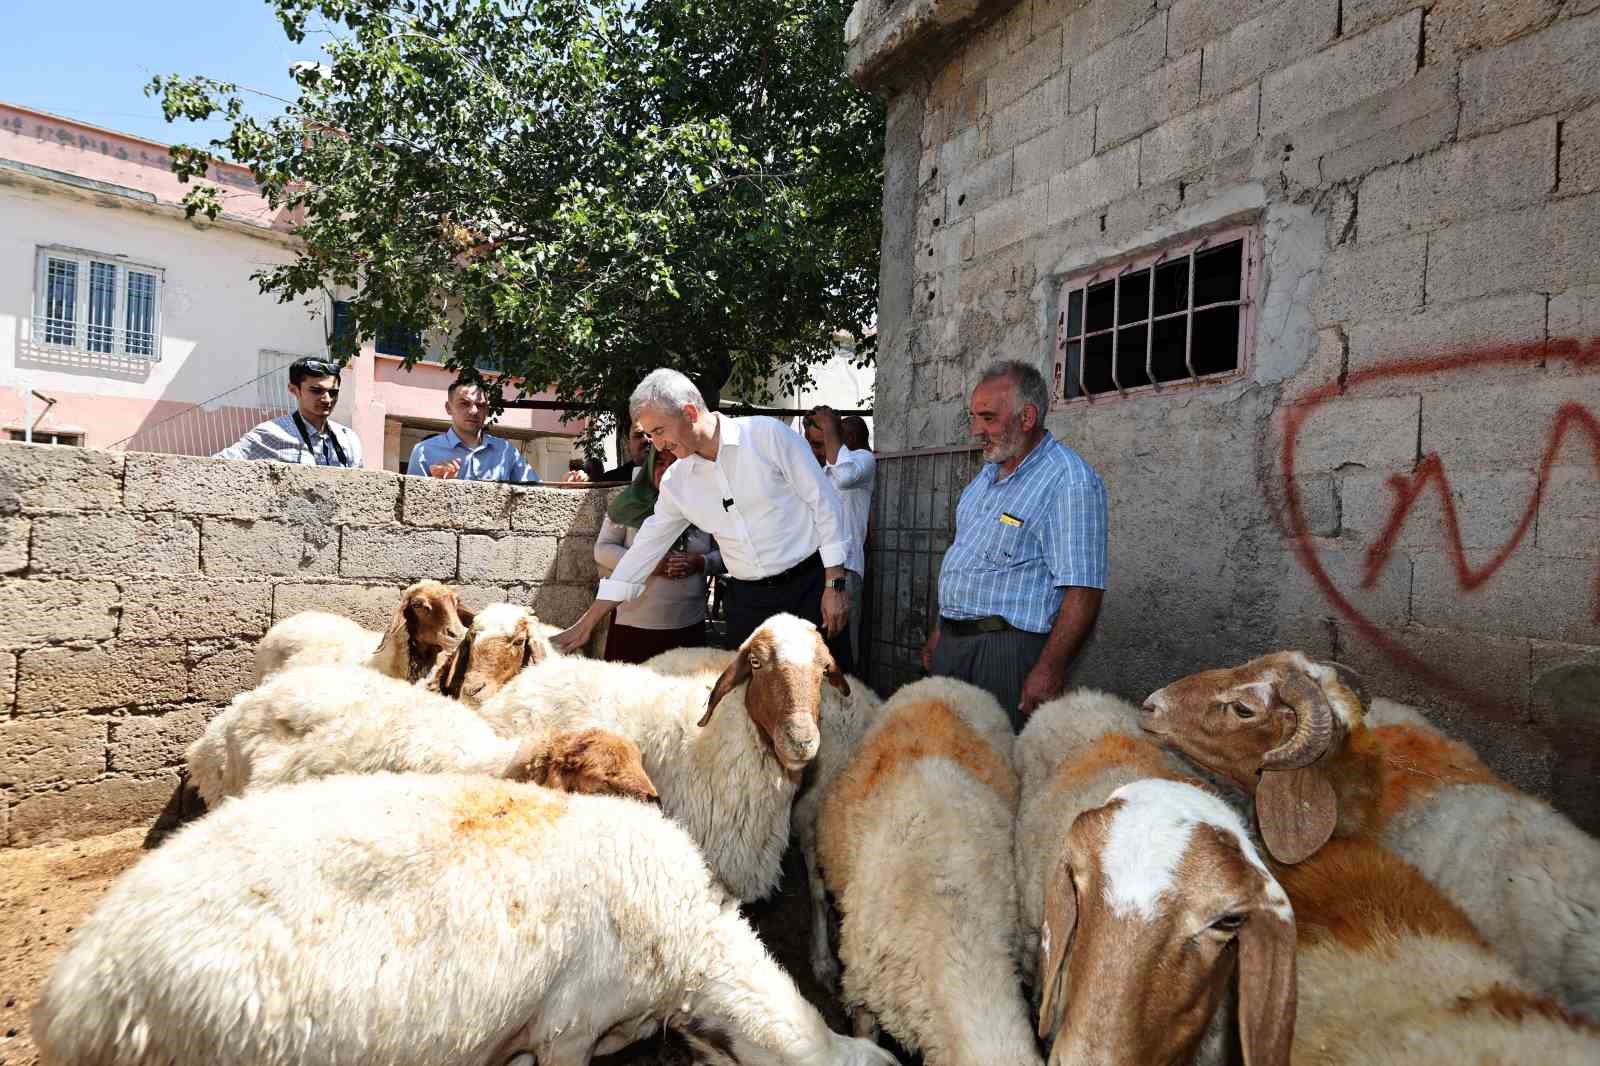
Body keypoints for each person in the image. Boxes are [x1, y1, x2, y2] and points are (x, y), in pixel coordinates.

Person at [553, 368, 851, 658]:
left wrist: (834, 584)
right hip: (747, 603)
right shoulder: (677, 482)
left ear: (690, 413)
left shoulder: (767, 436)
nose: (657, 445)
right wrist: (587, 622)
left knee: (830, 692)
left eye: (659, 431)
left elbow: (825, 504)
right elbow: (641, 554)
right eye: (649, 435)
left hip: (810, 590)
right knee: (748, 704)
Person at [921, 359, 1107, 731]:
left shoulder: (1069, 480)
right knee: (943, 758)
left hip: (1007, 654)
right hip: (955, 647)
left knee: (998, 768)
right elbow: (969, 560)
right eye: (973, 417)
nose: (976, 429)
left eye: (987, 418)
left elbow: (1083, 589)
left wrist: (1049, 669)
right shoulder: (988, 474)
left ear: (1027, 417)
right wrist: (942, 633)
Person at [593, 445, 717, 663]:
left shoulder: (706, 505)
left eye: (675, 463)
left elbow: (727, 554)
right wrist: (650, 564)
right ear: (649, 467)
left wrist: (700, 562)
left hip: (687, 623)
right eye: (660, 463)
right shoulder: (629, 504)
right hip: (635, 625)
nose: (667, 470)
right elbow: (602, 549)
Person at [804, 405, 875, 668]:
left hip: (845, 572)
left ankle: (851, 702)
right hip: (818, 570)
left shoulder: (863, 460)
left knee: (842, 649)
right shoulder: (821, 471)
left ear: (846, 438)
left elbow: (844, 475)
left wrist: (832, 430)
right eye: (814, 445)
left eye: (822, 444)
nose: (817, 451)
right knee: (818, 648)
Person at [214, 356, 363, 467]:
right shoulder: (270, 433)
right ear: (294, 390)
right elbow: (215, 465)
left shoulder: (349, 439)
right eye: (316, 391)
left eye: (333, 392)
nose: (327, 399)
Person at [405, 377, 541, 482]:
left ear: (487, 410)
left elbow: (536, 494)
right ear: (448, 408)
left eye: (480, 405)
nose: (474, 411)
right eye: (464, 404)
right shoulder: (424, 451)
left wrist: (561, 487)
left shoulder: (505, 451)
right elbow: (412, 505)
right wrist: (436, 484)